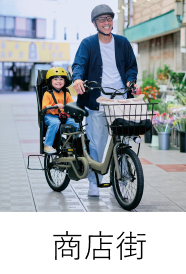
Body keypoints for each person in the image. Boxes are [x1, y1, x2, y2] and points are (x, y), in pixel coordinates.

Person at [69, 4, 139, 197]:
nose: (107, 23)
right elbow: (79, 64)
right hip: (96, 99)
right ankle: (94, 181)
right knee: (96, 142)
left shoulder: (123, 42)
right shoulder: (88, 43)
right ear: (95, 24)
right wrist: (77, 79)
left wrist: (130, 79)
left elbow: (132, 67)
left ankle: (122, 174)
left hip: (121, 99)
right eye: (102, 20)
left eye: (109, 19)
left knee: (123, 139)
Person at [41, 67, 79, 155]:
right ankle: (47, 145)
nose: (59, 81)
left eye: (61, 79)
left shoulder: (66, 93)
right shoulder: (47, 94)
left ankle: (75, 142)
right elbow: (44, 107)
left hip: (64, 116)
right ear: (50, 81)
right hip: (51, 116)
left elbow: (71, 105)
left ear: (65, 81)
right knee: (55, 123)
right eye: (56, 79)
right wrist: (55, 106)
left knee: (76, 124)